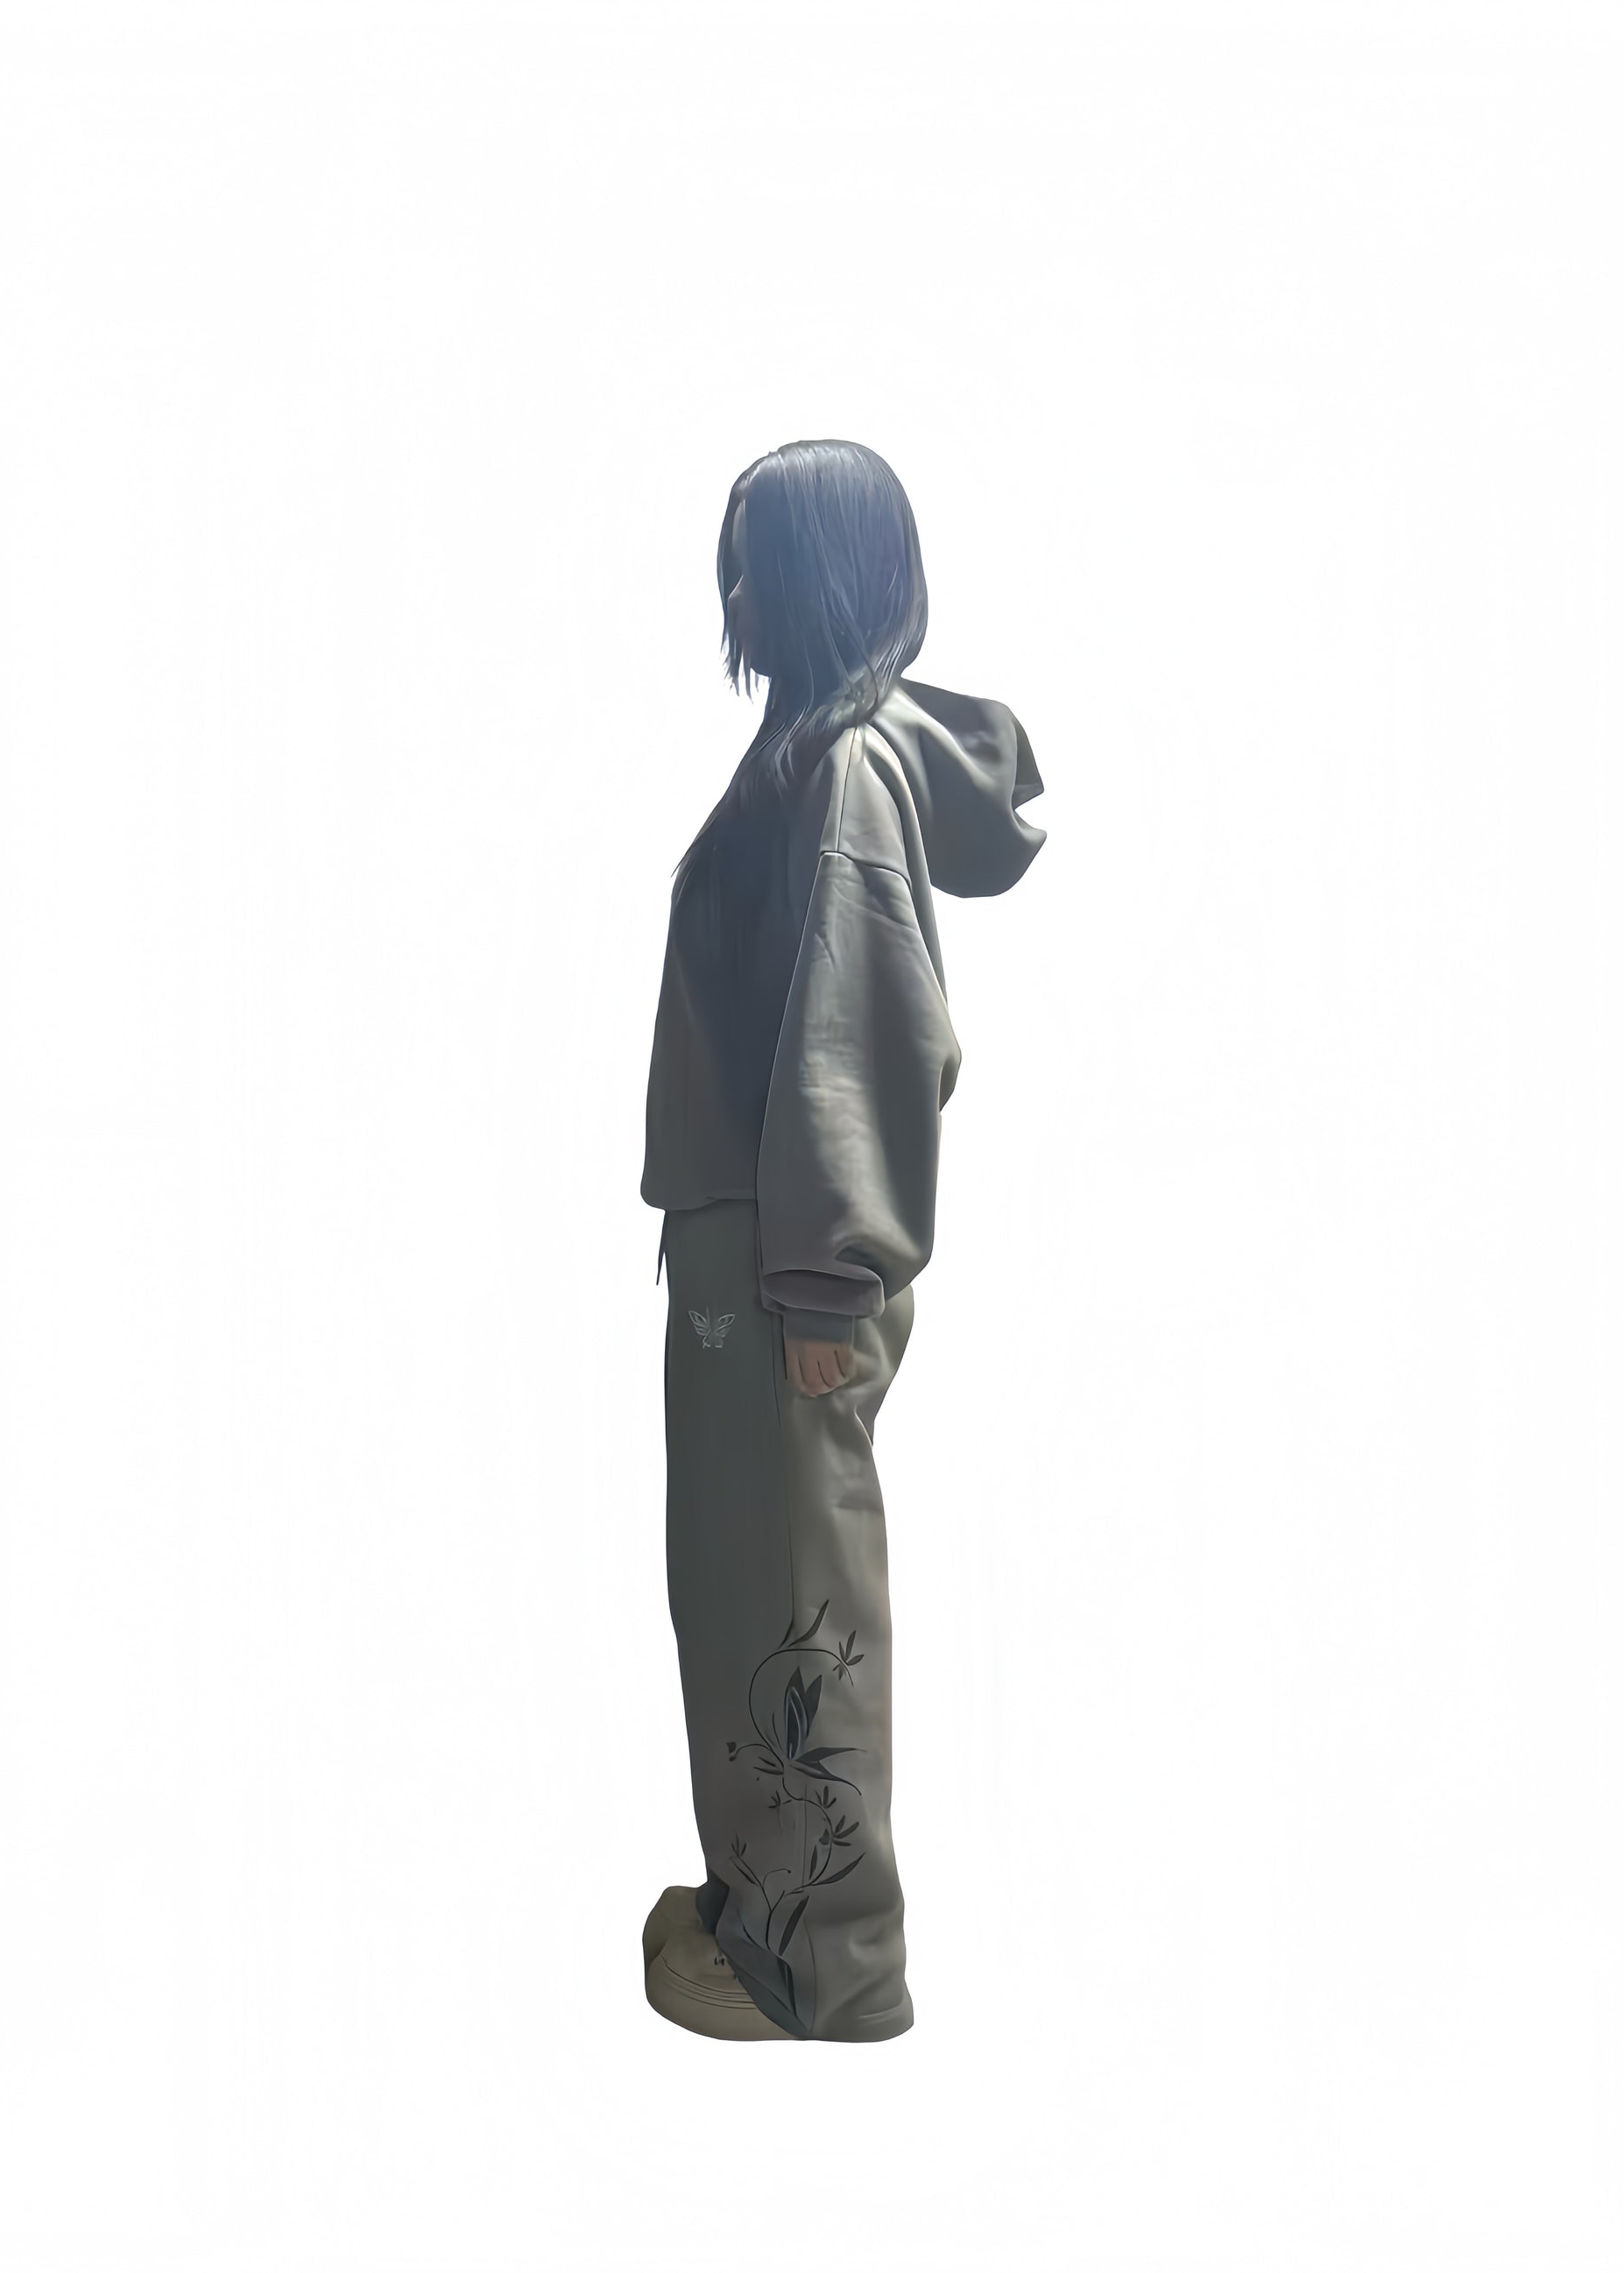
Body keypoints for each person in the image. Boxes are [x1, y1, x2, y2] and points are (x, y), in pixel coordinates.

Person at [639, 439, 1047, 2042]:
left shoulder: (849, 769)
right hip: (749, 1256)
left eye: (759, 559)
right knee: (742, 1592)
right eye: (728, 559)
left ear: (829, 574)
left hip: (783, 1266)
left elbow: (857, 1032)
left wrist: (820, 1280)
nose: (733, 591)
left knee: (797, 1600)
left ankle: (831, 1972)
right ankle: (764, 1916)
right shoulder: (805, 754)